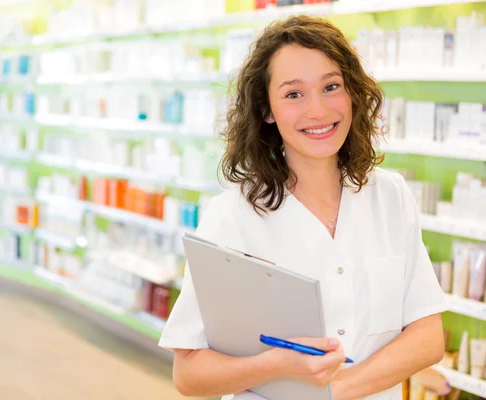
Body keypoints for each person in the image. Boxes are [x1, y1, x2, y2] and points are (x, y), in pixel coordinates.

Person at [158, 15, 448, 400]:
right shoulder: (233, 216)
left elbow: (428, 338)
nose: (318, 110)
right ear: (267, 110)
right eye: (294, 94)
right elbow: (190, 374)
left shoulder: (390, 195)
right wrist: (277, 365)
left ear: (353, 94)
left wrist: (332, 392)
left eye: (331, 87)